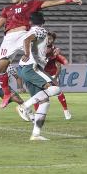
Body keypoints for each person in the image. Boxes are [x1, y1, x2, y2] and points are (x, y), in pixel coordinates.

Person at [0, 0, 81, 108]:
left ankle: (43, 73)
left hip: (24, 35)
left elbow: (50, 3)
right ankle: (7, 94)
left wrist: (69, 0)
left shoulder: (31, 4)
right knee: (1, 68)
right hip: (9, 39)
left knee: (35, 57)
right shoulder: (7, 9)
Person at [18, 12, 64, 141]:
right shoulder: (42, 31)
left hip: (24, 68)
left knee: (44, 102)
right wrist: (27, 54)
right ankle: (24, 106)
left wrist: (48, 54)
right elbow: (27, 41)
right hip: (31, 67)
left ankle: (36, 134)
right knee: (55, 89)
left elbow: (29, 43)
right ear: (43, 22)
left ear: (30, 22)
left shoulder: (28, 30)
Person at [34, 32, 71, 119]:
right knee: (37, 94)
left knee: (58, 92)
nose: (49, 40)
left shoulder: (55, 51)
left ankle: (66, 111)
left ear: (53, 40)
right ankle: (37, 114)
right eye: (48, 38)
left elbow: (59, 66)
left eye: (51, 39)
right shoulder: (39, 48)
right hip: (41, 74)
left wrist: (55, 77)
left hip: (52, 75)